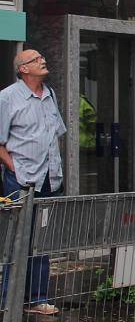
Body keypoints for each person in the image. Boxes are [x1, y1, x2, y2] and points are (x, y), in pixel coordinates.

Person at [0, 49, 67, 316]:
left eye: (41, 57)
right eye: (36, 59)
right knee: (18, 241)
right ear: (23, 69)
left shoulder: (50, 95)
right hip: (21, 181)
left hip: (49, 180)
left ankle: (37, 299)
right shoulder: (7, 98)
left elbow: (55, 135)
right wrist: (15, 168)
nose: (43, 61)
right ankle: (8, 300)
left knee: (42, 239)